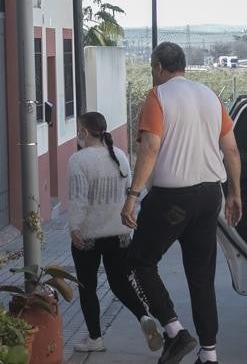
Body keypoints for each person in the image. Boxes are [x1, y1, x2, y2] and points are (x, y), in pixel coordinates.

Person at [123, 42, 243, 364]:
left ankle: (174, 331)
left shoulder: (158, 96)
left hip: (173, 199)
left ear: (159, 67)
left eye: (152, 69)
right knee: (201, 276)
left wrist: (132, 196)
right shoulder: (210, 96)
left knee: (139, 261)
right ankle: (209, 353)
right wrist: (235, 192)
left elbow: (150, 148)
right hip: (210, 195)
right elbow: (231, 150)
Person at [67, 111, 164, 354]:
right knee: (120, 283)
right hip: (119, 233)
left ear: (84, 132)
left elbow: (79, 199)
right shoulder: (119, 155)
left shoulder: (78, 160)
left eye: (79, 130)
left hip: (88, 235)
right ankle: (143, 317)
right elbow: (128, 192)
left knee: (88, 287)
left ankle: (95, 338)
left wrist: (74, 227)